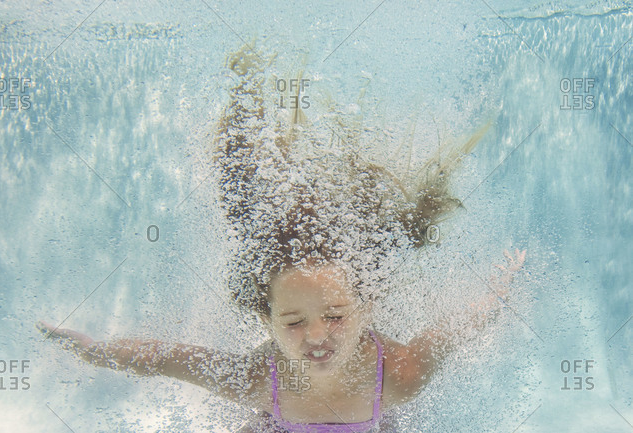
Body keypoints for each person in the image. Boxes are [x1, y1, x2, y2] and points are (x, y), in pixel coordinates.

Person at [37, 43, 526, 432]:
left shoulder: (395, 376)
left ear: (367, 307)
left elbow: (451, 335)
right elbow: (171, 359)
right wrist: (93, 349)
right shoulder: (267, 380)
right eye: (292, 322)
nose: (316, 337)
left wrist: (496, 296)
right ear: (265, 320)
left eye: (335, 315)